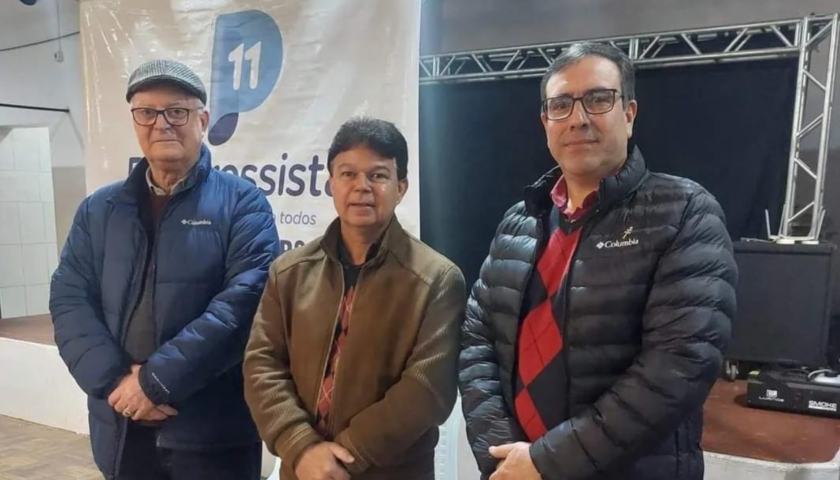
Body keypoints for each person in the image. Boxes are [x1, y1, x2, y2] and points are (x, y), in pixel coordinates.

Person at [459, 42, 738, 480]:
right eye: (561, 105)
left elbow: (679, 364)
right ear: (545, 122)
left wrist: (547, 462)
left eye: (598, 99)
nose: (578, 118)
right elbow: (477, 338)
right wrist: (501, 456)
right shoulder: (518, 222)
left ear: (629, 113)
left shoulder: (684, 212)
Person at [50, 59, 280, 480]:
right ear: (135, 121)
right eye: (147, 112)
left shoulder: (243, 204)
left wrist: (154, 382)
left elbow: (244, 304)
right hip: (121, 426)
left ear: (202, 120)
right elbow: (69, 299)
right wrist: (115, 382)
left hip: (211, 433)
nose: (161, 124)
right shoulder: (99, 209)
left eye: (177, 111)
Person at [244, 117, 465, 480]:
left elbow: (428, 389)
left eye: (378, 175)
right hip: (303, 470)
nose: (362, 186)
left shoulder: (436, 279)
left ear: (401, 187)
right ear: (331, 183)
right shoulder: (289, 272)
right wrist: (301, 447)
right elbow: (261, 365)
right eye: (348, 174)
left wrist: (342, 458)